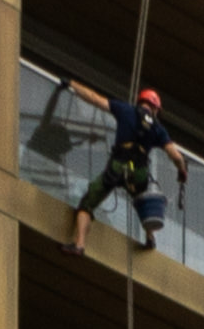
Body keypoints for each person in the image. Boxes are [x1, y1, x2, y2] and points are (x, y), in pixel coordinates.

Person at [69, 74, 178, 249]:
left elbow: (94, 98)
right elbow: (175, 155)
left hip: (118, 165)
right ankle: (150, 237)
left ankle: (79, 244)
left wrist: (72, 84)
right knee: (144, 199)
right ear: (155, 108)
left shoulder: (125, 110)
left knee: (87, 204)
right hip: (137, 171)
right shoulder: (158, 129)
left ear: (140, 101)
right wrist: (182, 170)